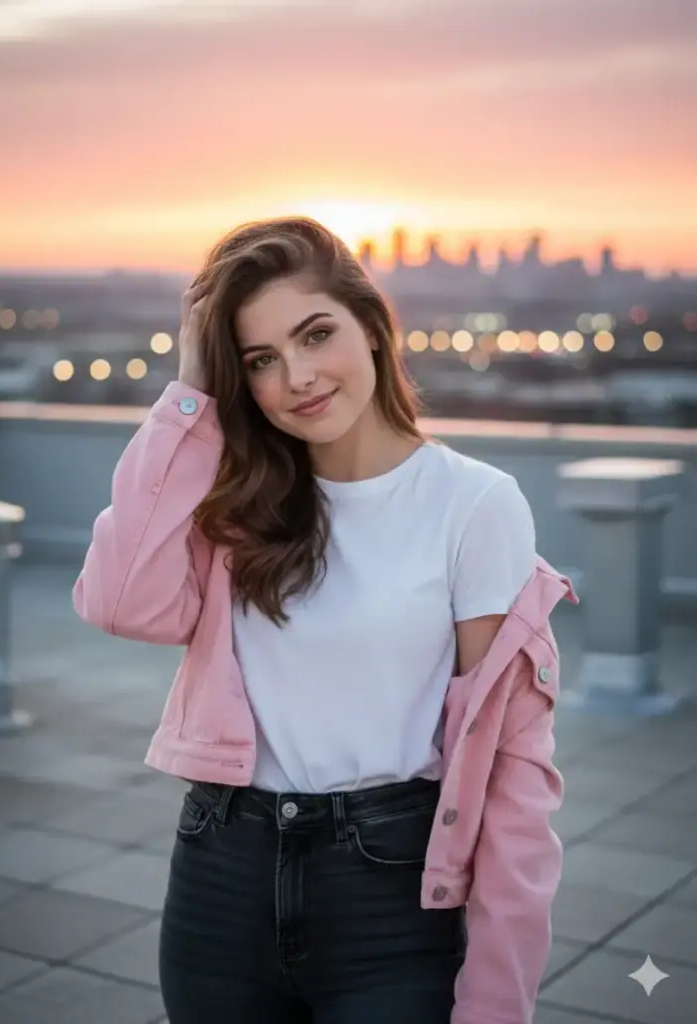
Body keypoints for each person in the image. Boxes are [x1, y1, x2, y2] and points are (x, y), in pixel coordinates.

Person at [73, 216, 574, 1024]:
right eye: (259, 361)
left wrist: (496, 997)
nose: (297, 376)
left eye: (315, 335)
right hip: (222, 869)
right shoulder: (234, 504)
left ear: (371, 329)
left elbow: (511, 770)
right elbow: (118, 601)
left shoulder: (472, 503)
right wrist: (188, 393)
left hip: (391, 886)